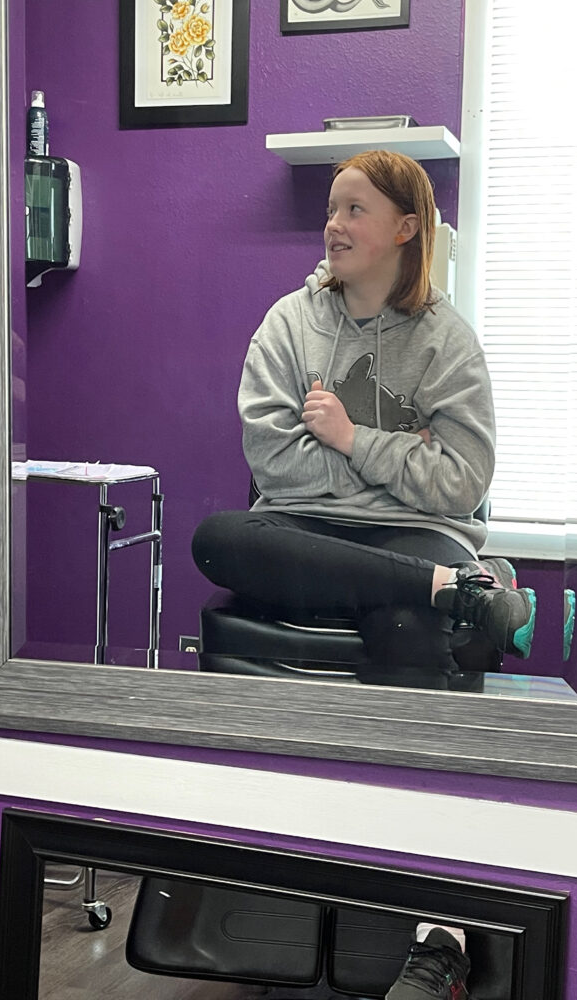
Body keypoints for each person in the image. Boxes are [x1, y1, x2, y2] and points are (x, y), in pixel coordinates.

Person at [192, 149, 537, 674]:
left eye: (355, 210)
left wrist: (351, 439)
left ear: (406, 227)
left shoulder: (447, 342)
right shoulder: (289, 323)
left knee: (406, 623)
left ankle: (406, 752)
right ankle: (456, 587)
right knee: (217, 539)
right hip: (305, 524)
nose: (334, 225)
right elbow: (273, 465)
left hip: (417, 530)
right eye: (331, 210)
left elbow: (463, 482)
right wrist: (401, 458)